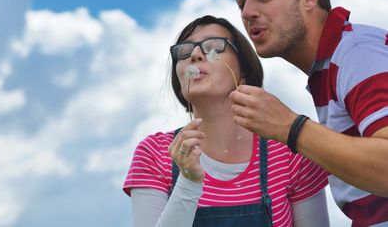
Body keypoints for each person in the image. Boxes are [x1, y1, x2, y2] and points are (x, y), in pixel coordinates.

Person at [226, 0, 388, 226]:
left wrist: (290, 127)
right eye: (241, 3)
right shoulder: (331, 65)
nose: (248, 13)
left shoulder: (356, 52)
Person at [123, 15, 329, 227]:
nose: (194, 54)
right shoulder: (154, 154)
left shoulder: (290, 153)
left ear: (244, 73)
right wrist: (188, 183)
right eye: (184, 51)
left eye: (214, 47)